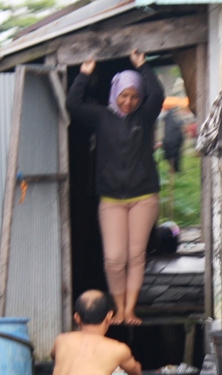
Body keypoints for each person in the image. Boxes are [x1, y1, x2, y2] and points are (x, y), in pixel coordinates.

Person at [66, 49, 165, 325]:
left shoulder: (144, 118)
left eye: (134, 96)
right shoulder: (101, 117)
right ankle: (117, 307)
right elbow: (72, 104)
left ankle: (128, 311)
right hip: (111, 198)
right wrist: (84, 74)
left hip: (144, 196)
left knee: (136, 255)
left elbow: (157, 95)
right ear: (115, 94)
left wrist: (143, 66)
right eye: (124, 96)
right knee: (114, 258)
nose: (129, 101)